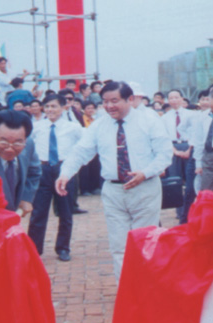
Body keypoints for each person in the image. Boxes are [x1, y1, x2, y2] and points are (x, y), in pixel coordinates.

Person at [55, 81, 172, 280]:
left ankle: (146, 290)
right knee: (119, 247)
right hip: (113, 192)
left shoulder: (149, 121)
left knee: (145, 243)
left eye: (115, 101)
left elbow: (165, 154)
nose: (109, 106)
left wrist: (145, 173)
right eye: (105, 102)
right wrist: (65, 173)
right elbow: (81, 151)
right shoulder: (99, 125)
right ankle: (126, 291)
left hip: (145, 188)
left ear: (130, 99)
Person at [27, 94, 82, 262]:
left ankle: (63, 248)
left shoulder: (73, 127)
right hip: (42, 170)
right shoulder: (35, 127)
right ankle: (34, 249)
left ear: (63, 107)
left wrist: (74, 165)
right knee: (38, 212)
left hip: (64, 171)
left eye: (54, 106)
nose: (50, 110)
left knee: (65, 211)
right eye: (47, 106)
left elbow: (84, 146)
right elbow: (27, 147)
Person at [163, 89, 196, 223]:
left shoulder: (192, 115)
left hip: (189, 146)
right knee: (176, 181)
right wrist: (175, 151)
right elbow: (164, 137)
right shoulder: (164, 117)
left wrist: (189, 149)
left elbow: (196, 134)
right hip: (172, 148)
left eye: (176, 97)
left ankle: (191, 211)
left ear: (182, 99)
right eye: (171, 98)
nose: (174, 100)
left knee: (190, 181)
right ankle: (179, 211)